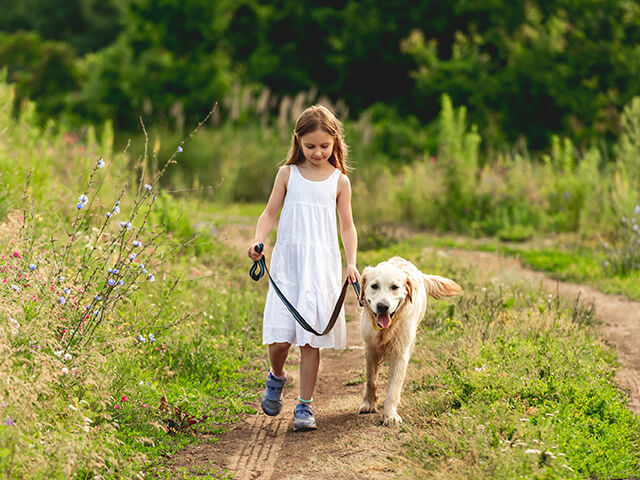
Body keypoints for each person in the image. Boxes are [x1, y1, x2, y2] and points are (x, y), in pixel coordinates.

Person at [247, 105, 360, 431]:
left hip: (321, 267)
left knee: (311, 340)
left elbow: (348, 227)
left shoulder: (340, 181)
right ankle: (277, 375)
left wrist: (351, 263)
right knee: (280, 340)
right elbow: (269, 213)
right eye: (310, 146)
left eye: (324, 146)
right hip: (289, 267)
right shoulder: (287, 174)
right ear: (298, 141)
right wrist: (258, 241)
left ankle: (305, 406)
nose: (318, 152)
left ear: (334, 142)